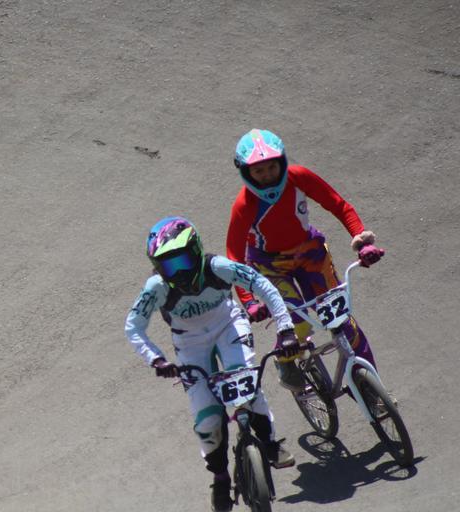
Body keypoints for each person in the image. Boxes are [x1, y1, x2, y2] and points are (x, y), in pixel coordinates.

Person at [125, 216, 299, 512]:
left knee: (246, 387)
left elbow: (262, 285)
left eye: (182, 261)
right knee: (207, 420)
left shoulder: (218, 266)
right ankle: (220, 478)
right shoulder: (156, 287)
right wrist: (156, 358)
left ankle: (270, 443)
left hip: (229, 326)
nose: (178, 272)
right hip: (190, 344)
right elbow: (133, 327)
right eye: (169, 266)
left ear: (196, 251)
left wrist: (286, 328)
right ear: (157, 268)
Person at [226, 128, 385, 392]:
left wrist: (362, 240)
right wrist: (249, 301)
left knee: (345, 324)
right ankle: (285, 359)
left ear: (282, 162)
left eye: (272, 167)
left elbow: (338, 205)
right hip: (271, 267)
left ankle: (374, 390)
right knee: (297, 325)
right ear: (246, 172)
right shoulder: (244, 205)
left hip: (311, 255)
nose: (267, 176)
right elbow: (234, 257)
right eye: (259, 171)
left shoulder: (299, 177)